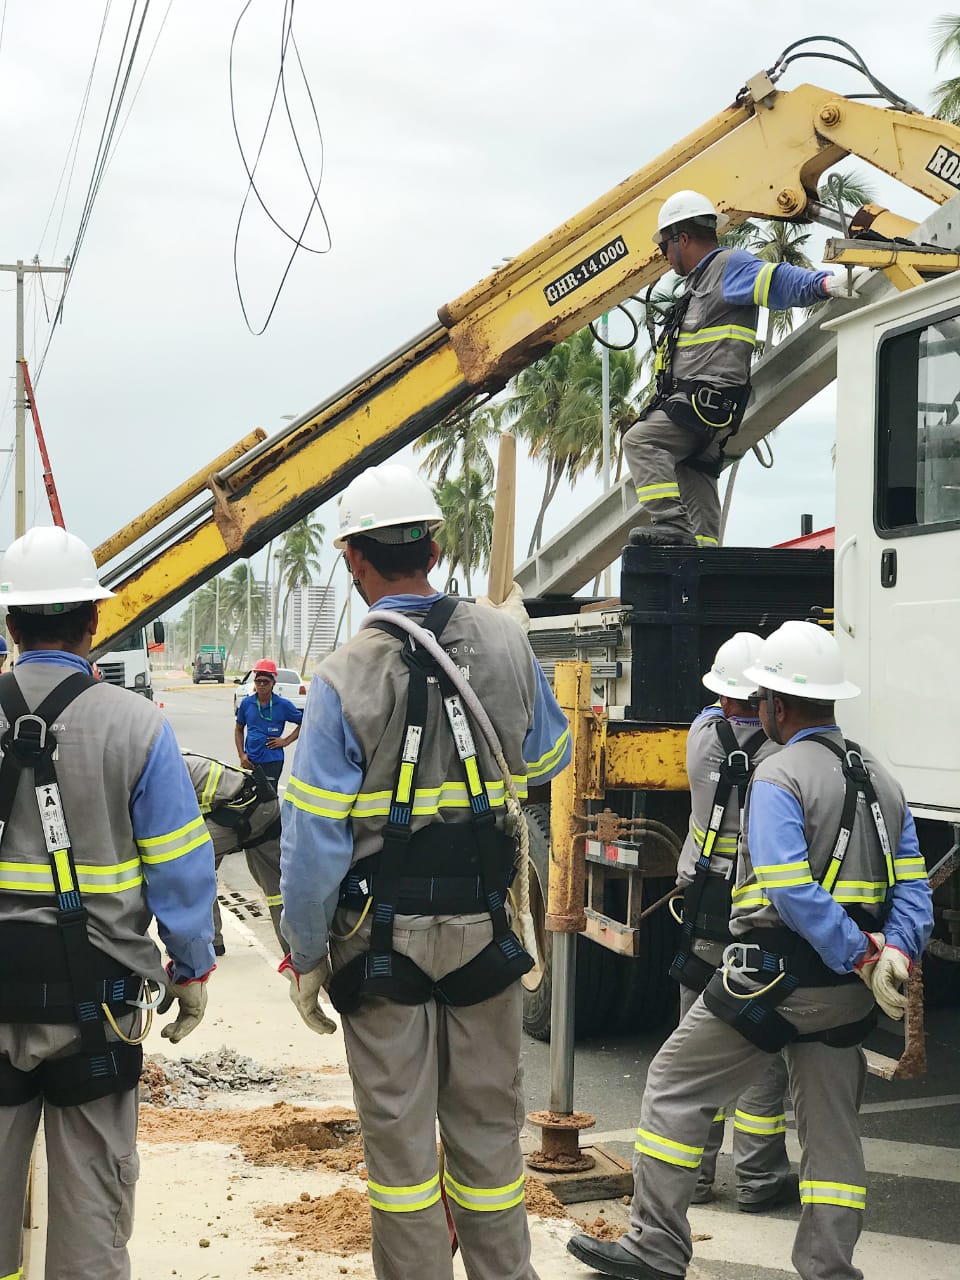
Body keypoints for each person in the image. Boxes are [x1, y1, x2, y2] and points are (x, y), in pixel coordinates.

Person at [568, 620, 933, 1280]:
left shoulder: (778, 775)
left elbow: (788, 887)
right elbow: (913, 883)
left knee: (674, 1085)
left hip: (775, 980)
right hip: (850, 996)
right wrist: (893, 955)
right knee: (832, 1135)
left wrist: (856, 951)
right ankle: (829, 1269)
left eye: (762, 697)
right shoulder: (881, 776)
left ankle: (655, 1246)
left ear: (778, 705)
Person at [279, 463, 572, 1280]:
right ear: (435, 550)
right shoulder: (506, 640)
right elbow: (550, 757)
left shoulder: (343, 677)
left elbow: (312, 844)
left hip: (381, 945)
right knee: (489, 1141)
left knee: (403, 1160)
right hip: (485, 931)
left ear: (353, 559)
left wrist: (307, 955)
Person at [0, 526, 217, 1280]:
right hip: (96, 1008)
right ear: (94, 621)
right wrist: (191, 968)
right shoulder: (137, 726)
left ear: (10, 622)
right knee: (91, 1226)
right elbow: (181, 871)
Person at [623, 190, 857, 548]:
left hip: (699, 406)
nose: (664, 257)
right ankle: (704, 555)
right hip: (708, 411)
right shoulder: (700, 284)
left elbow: (776, 280)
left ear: (681, 239)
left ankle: (670, 523)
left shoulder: (727, 267)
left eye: (663, 247)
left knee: (640, 440)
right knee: (694, 471)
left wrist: (824, 284)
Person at [671, 632, 792, 1211]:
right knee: (760, 1041)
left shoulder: (701, 738)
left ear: (723, 696)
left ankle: (693, 1179)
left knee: (695, 1051)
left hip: (703, 911)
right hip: (755, 916)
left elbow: (713, 709)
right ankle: (757, 1179)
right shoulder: (783, 757)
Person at [183, 751, 286, 955]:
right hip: (261, 801)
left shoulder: (163, 772)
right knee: (277, 889)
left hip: (245, 807)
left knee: (192, 865)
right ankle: (300, 958)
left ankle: (209, 942)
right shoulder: (171, 759)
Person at [234, 657, 303, 788]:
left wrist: (286, 741)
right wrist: (241, 755)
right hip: (250, 759)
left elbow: (304, 723)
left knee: (269, 795)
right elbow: (238, 729)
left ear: (273, 683)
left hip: (273, 760)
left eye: (265, 682)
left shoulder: (283, 705)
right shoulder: (247, 703)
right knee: (248, 794)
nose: (261, 684)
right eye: (258, 681)